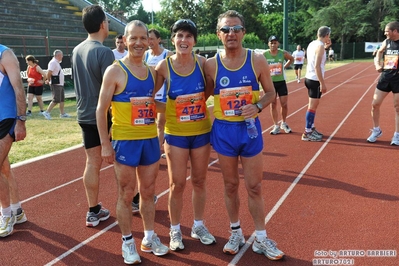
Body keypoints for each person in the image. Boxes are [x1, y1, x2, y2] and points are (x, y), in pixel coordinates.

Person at [204, 10, 284, 260]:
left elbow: (271, 93)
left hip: (249, 131)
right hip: (224, 132)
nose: (231, 34)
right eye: (226, 29)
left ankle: (261, 238)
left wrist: (258, 106)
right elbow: (201, 96)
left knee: (255, 186)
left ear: (243, 33)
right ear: (219, 34)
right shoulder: (211, 64)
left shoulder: (257, 60)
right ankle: (236, 232)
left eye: (236, 29)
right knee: (230, 185)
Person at [96, 20, 169, 264]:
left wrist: (177, 108)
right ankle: (128, 242)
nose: (139, 43)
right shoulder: (115, 71)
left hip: (148, 140)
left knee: (148, 193)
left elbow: (151, 104)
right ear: (125, 40)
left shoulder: (151, 72)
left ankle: (149, 237)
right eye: (133, 38)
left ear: (150, 41)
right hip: (125, 141)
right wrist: (105, 144)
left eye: (143, 38)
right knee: (126, 194)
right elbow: (100, 109)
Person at [155, 19, 215, 252]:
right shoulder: (163, 67)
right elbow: (151, 100)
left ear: (194, 41)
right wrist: (171, 110)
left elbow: (209, 90)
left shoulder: (203, 64)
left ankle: (198, 225)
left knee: (199, 181)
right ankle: (175, 229)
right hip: (176, 134)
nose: (184, 40)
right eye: (179, 36)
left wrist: (197, 103)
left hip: (200, 132)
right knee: (176, 183)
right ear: (172, 40)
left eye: (189, 36)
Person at [71, 4, 114, 227]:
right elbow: (113, 88)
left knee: (92, 161)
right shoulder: (104, 53)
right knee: (121, 158)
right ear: (103, 24)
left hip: (83, 113)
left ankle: (92, 209)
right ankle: (134, 200)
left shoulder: (76, 50)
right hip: (104, 114)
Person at [0, 44, 27, 237]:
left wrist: (21, 121)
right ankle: (17, 211)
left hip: (6, 117)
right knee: (4, 168)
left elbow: (19, 88)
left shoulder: (5, 54)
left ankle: (6, 215)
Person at [367, 21, 399, 145]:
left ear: (395, 31)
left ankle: (397, 135)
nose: (385, 33)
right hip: (385, 76)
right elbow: (379, 52)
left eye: (387, 31)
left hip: (397, 80)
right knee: (375, 104)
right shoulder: (386, 42)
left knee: (397, 108)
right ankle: (376, 130)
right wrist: (377, 64)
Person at [302, 26, 331, 141]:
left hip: (308, 77)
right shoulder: (320, 47)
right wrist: (322, 83)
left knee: (313, 106)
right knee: (312, 107)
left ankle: (311, 127)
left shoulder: (312, 44)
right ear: (327, 35)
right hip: (315, 80)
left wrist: (325, 47)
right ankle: (307, 132)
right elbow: (317, 66)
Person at [264, 35, 294, 135]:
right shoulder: (264, 55)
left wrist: (284, 67)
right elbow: (259, 65)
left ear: (278, 44)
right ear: (268, 44)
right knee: (273, 104)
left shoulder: (282, 53)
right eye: (271, 43)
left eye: (275, 42)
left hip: (281, 82)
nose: (273, 44)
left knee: (284, 104)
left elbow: (291, 59)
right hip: (270, 83)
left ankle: (284, 123)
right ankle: (276, 125)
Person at [42, 50, 70, 119]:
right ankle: (47, 112)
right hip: (56, 84)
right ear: (58, 55)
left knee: (62, 100)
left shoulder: (56, 62)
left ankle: (62, 114)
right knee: (56, 99)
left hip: (60, 84)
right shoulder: (53, 62)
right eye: (61, 55)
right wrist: (48, 80)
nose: (62, 57)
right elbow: (49, 72)